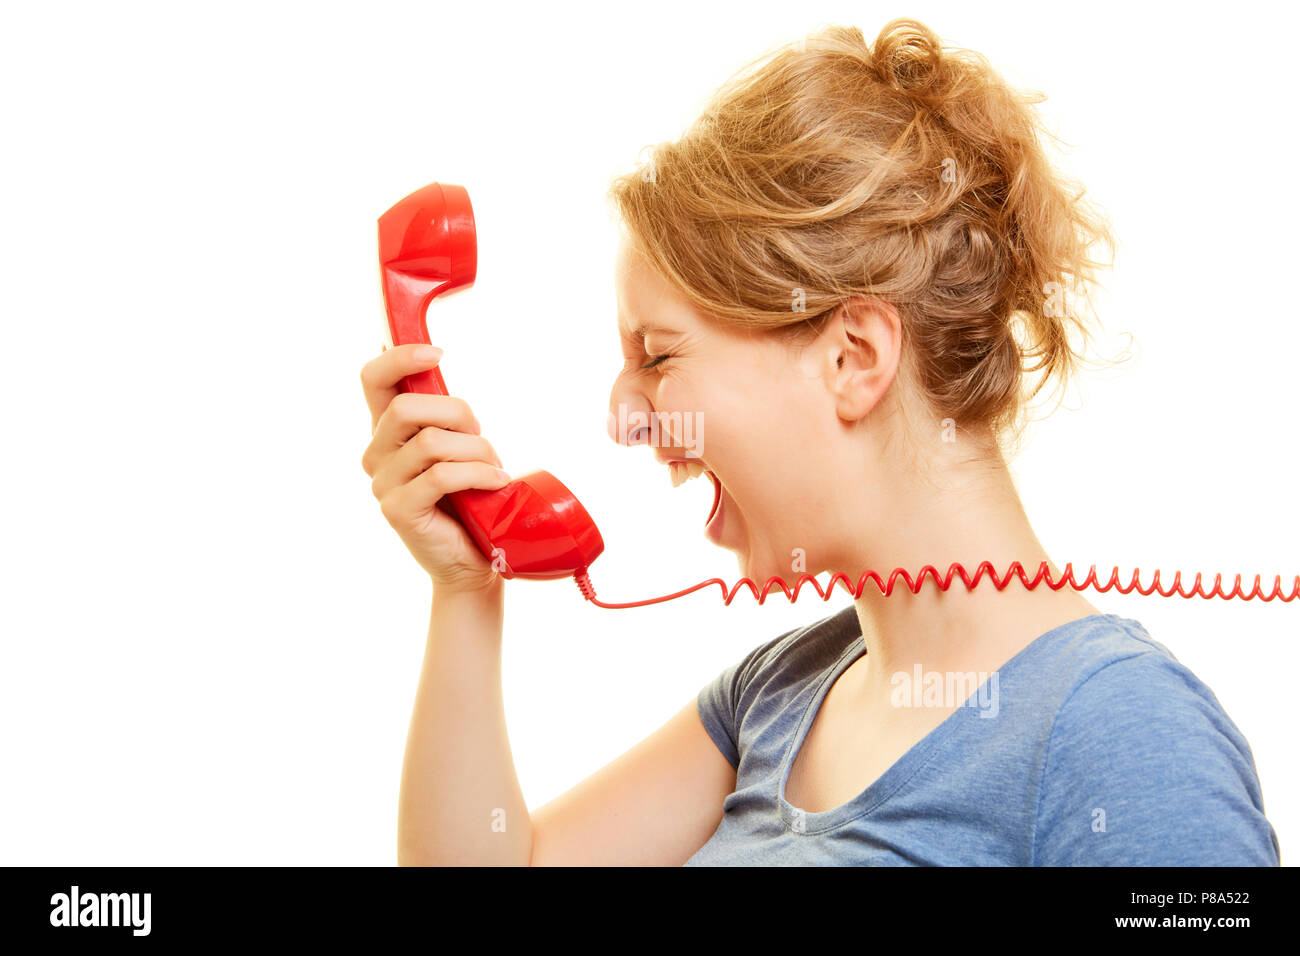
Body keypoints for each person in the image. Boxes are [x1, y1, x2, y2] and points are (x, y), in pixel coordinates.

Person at [359, 18, 1279, 865]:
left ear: (853, 357)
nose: (625, 415)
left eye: (658, 355)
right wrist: (465, 587)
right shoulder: (778, 695)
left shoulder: (1125, 731)